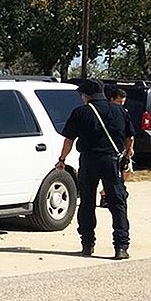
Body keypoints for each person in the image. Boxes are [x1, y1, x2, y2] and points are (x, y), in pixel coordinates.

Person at [55, 78, 134, 260]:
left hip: (89, 161)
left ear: (86, 96)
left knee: (87, 203)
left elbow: (69, 140)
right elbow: (129, 136)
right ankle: (121, 247)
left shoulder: (80, 112)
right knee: (118, 204)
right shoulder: (119, 110)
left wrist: (62, 159)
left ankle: (87, 244)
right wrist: (126, 155)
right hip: (112, 161)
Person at [100, 87, 135, 207]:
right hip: (109, 150)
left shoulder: (123, 112)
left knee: (127, 170)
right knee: (111, 174)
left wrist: (130, 149)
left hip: (122, 148)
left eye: (123, 102)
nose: (121, 104)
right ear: (111, 99)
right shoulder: (105, 112)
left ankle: (110, 192)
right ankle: (106, 195)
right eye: (119, 102)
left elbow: (130, 134)